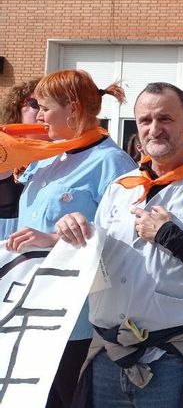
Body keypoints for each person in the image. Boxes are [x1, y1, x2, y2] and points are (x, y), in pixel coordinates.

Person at [54, 82, 183, 407]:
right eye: (145, 120)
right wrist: (69, 235)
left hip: (172, 359)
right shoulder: (120, 187)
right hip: (109, 354)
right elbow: (97, 260)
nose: (154, 129)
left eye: (165, 119)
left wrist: (169, 236)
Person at [4, 70, 136, 408]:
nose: (40, 115)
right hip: (31, 308)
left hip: (75, 321)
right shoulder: (49, 156)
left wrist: (52, 240)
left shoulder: (112, 163)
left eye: (44, 107)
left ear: (72, 109)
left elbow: (124, 244)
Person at [0, 78, 46, 240]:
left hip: (40, 256)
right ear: (16, 108)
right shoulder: (2, 150)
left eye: (48, 106)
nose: (42, 112)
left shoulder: (68, 155)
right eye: (35, 104)